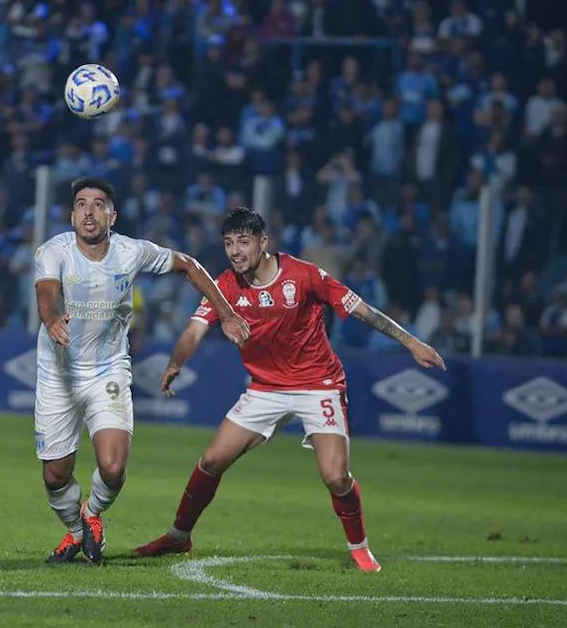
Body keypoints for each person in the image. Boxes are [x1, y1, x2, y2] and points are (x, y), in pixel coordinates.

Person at [134, 208, 445, 572]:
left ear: (263, 243)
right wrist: (176, 363)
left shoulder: (304, 275)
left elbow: (361, 310)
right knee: (211, 460)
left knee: (335, 476)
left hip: (319, 385)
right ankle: (178, 536)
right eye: (229, 243)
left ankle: (360, 547)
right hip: (265, 388)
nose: (235, 251)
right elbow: (194, 331)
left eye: (243, 242)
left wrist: (411, 343)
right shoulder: (225, 287)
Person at [35, 177, 251, 565]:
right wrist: (51, 319)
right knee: (55, 475)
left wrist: (226, 311)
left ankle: (92, 515)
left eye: (99, 204)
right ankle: (73, 532)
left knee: (114, 468)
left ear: (112, 216)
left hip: (108, 371)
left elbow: (188, 265)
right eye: (81, 204)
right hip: (59, 375)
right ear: (71, 216)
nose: (89, 211)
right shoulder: (54, 252)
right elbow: (47, 294)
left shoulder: (131, 252)